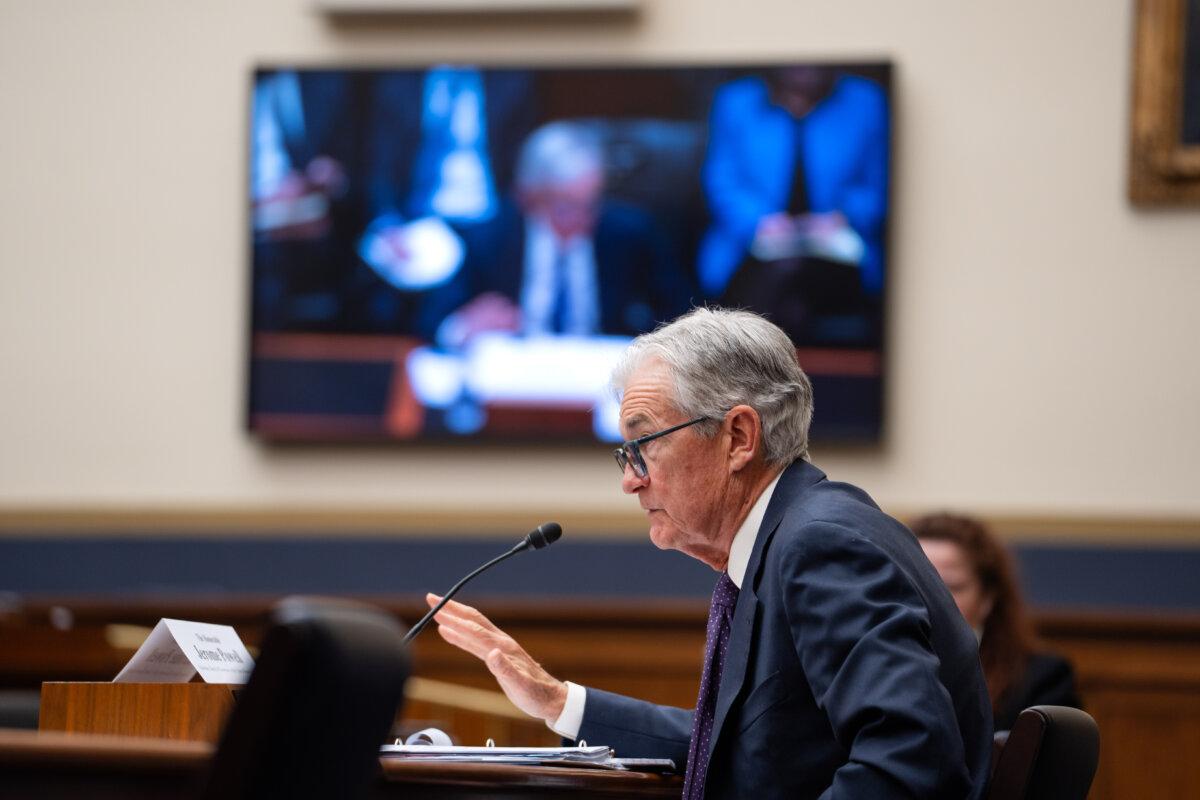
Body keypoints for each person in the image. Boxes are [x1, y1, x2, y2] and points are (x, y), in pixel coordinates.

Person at [427, 308, 993, 799]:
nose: (631, 481)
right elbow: (744, 747)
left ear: (739, 439)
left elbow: (910, 759)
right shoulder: (785, 542)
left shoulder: (822, 545)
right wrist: (558, 702)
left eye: (643, 445)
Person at [427, 121, 694, 347]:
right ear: (528, 197)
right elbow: (426, 320)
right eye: (566, 207)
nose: (584, 221)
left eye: (591, 205)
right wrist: (462, 327)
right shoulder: (488, 239)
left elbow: (684, 315)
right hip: (515, 381)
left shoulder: (630, 235)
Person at [912, 512, 1084, 732]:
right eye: (916, 583)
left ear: (987, 598)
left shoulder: (1042, 679)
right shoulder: (872, 665)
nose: (931, 599)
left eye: (951, 587)